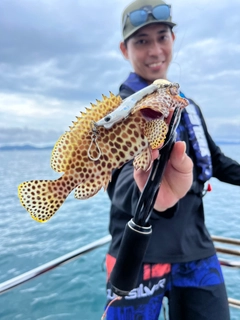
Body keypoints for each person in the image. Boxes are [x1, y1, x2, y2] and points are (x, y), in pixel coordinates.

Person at [104, 0, 240, 319]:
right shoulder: (118, 113)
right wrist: (149, 192)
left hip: (196, 248)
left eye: (162, 37)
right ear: (125, 50)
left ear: (173, 41)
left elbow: (216, 161)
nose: (154, 51)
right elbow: (120, 184)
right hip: (137, 255)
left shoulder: (186, 105)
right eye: (141, 41)